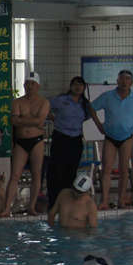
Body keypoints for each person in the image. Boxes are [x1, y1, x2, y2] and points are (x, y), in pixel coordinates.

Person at [90, 70, 133, 209]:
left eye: (127, 79)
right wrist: (98, 125)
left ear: (131, 82)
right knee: (106, 169)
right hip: (110, 137)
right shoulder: (108, 96)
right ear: (117, 81)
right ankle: (104, 201)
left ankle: (121, 200)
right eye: (122, 79)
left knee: (124, 170)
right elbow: (91, 107)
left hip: (127, 138)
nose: (124, 82)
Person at [4, 71, 50, 215]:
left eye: (32, 84)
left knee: (36, 174)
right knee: (15, 175)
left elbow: (40, 121)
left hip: (36, 141)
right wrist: (34, 122)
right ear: (24, 85)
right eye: (27, 84)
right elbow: (14, 121)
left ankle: (32, 206)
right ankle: (6, 208)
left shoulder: (44, 102)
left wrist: (22, 120)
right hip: (21, 142)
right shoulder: (17, 102)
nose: (29, 86)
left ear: (38, 86)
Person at [46, 76, 95, 206]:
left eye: (80, 85)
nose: (78, 87)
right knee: (57, 169)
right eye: (75, 84)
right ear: (71, 86)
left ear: (84, 88)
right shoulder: (61, 100)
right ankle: (54, 199)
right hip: (61, 137)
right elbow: (45, 106)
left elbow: (88, 116)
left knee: (71, 170)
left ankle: (67, 199)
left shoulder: (85, 104)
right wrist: (51, 117)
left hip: (76, 139)